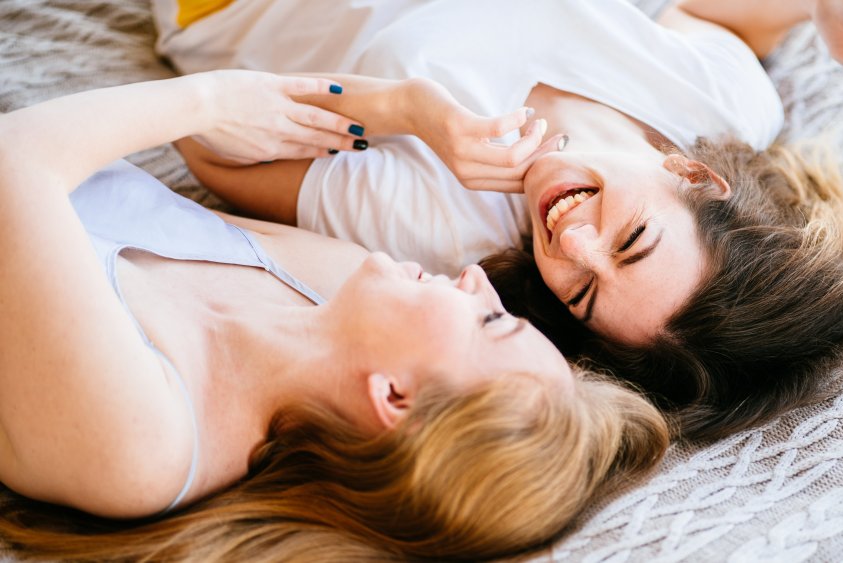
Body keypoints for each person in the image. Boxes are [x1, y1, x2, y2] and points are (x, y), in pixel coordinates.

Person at [153, 0, 843, 439]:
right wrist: (818, 8)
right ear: (691, 174)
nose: (572, 243)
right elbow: (709, 15)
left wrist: (407, 110)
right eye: (633, 239)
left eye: (581, 292)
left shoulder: (441, 222)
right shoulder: (727, 106)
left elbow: (209, 145)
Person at [0, 70, 669, 561]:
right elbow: (240, 131)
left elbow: (13, 162)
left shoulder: (141, 447)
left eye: (490, 322)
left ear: (395, 396)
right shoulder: (330, 286)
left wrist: (206, 98)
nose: (478, 281)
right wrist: (414, 105)